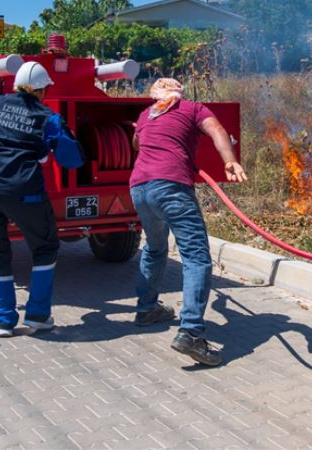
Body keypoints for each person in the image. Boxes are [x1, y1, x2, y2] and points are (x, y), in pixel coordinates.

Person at [129, 78, 247, 366]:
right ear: (180, 94)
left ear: (156, 96)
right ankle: (191, 332)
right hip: (171, 187)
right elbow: (217, 130)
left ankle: (147, 309)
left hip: (139, 189)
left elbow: (136, 143)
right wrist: (229, 159)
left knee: (155, 248)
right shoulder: (193, 109)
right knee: (196, 258)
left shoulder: (146, 115)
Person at [0, 62, 84, 338]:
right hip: (22, 190)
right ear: (42, 91)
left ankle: (4, 321)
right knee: (44, 247)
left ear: (16, 85)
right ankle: (39, 316)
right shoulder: (47, 116)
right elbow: (71, 159)